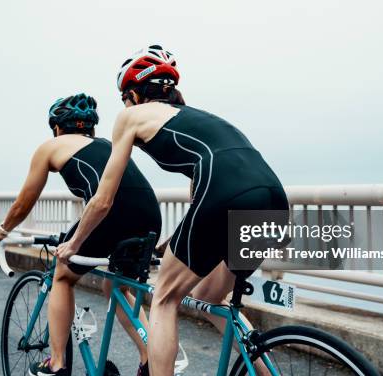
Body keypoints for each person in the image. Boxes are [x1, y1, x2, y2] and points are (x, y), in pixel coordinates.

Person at [55, 46, 289, 375]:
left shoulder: (131, 117)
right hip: (273, 198)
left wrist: (74, 244)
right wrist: (173, 243)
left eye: (125, 98)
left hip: (225, 194)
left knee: (165, 298)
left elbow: (103, 199)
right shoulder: (201, 118)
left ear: (133, 95)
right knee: (212, 296)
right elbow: (204, 184)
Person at [0, 94, 161, 376]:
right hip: (149, 213)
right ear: (90, 128)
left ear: (57, 128)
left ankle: (57, 363)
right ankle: (149, 359)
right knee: (118, 287)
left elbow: (24, 203)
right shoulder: (107, 144)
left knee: (62, 275)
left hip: (109, 213)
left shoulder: (50, 147)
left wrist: (3, 229)